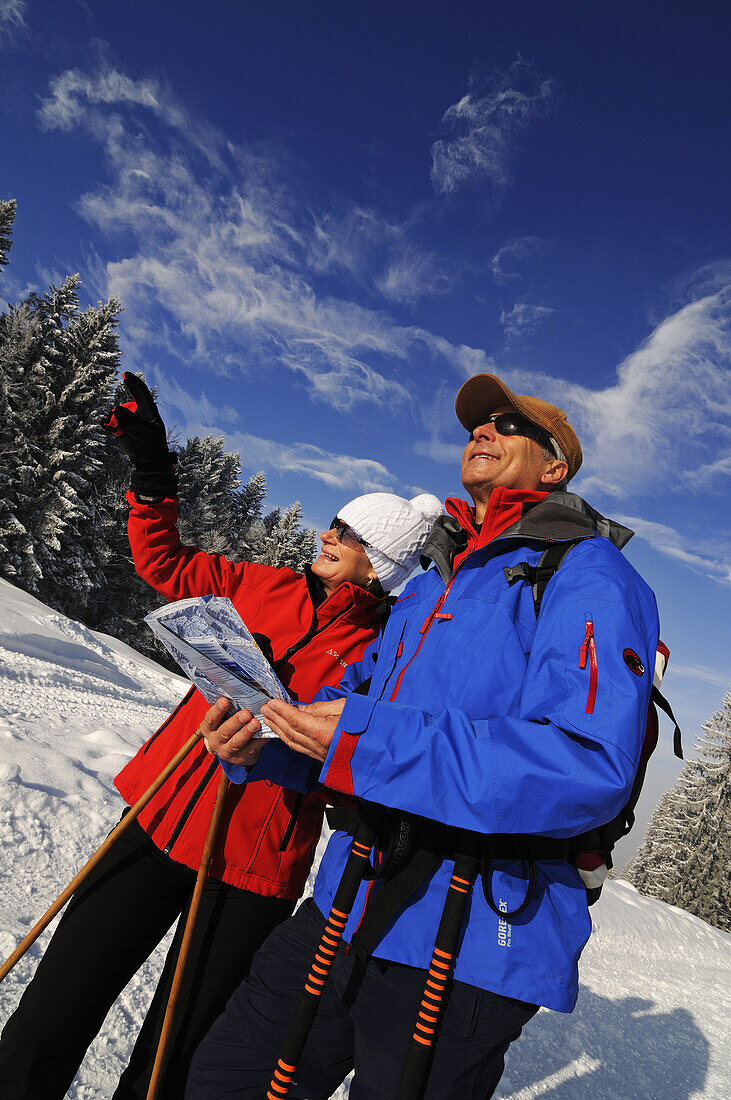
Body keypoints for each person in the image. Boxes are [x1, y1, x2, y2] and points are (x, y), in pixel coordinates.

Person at [185, 372, 660, 1100]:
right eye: (478, 423)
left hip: (473, 927)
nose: (483, 431)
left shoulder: (589, 574)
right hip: (351, 898)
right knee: (225, 1080)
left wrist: (363, 739)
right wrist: (271, 742)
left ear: (554, 466)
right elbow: (357, 709)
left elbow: (584, 764)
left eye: (508, 425)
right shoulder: (435, 581)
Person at [0, 371, 442, 1100]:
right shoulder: (261, 584)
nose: (328, 534)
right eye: (333, 521)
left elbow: (349, 750)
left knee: (169, 1061)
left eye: (351, 533)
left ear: (383, 563)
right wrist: (151, 471)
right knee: (53, 1012)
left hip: (249, 866)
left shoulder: (385, 647)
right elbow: (164, 564)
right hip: (164, 811)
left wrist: (278, 736)